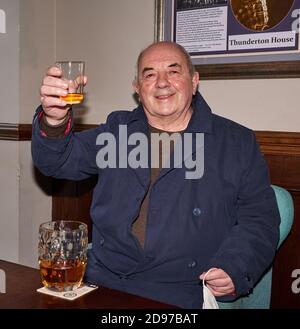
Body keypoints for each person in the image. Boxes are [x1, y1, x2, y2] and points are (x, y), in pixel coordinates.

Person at [31, 41, 280, 309]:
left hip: (181, 291)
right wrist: (54, 120)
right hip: (102, 283)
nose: (162, 83)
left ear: (194, 81)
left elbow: (260, 218)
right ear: (138, 89)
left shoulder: (236, 142)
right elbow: (58, 162)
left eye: (174, 72)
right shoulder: (117, 131)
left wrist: (235, 267)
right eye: (149, 75)